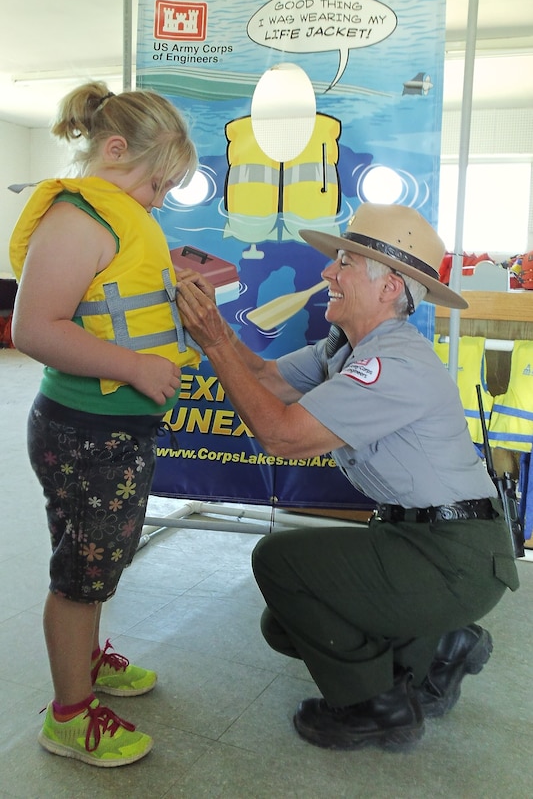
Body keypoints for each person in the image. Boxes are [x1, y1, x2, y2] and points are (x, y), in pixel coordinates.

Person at [175, 202, 520, 752]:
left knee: (278, 562)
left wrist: (215, 342)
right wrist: (209, 325)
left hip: (455, 555)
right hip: (424, 541)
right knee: (284, 624)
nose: (327, 273)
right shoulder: (348, 349)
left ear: (390, 289)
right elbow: (264, 376)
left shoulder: (393, 365)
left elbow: (282, 436)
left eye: (344, 264)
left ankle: (379, 708)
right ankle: (440, 645)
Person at [9, 82, 200, 767]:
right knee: (81, 573)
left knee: (95, 558)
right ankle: (68, 714)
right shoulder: (78, 217)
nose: (159, 200)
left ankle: (87, 660)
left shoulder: (115, 215)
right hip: (86, 430)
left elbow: (110, 290)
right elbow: (33, 327)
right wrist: (137, 367)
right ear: (115, 150)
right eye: (157, 184)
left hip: (111, 429)